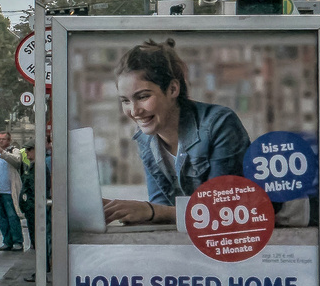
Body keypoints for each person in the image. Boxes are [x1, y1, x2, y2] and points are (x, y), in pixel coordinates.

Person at [103, 38, 250, 226]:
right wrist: (125, 212)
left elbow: (221, 210)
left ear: (172, 89)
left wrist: (149, 211)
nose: (134, 111)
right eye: (125, 101)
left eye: (143, 97)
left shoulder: (219, 123)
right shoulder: (145, 139)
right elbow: (162, 212)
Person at [0, 136, 23, 251]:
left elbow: (17, 161)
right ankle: (7, 241)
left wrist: (2, 152)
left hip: (8, 191)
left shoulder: (14, 151)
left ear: (9, 141)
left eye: (3, 139)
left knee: (12, 216)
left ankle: (17, 241)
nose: (0, 141)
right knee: (0, 218)